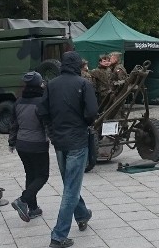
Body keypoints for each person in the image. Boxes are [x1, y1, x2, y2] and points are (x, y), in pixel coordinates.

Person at [38, 51, 98, 248]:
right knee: (71, 188)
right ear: (78, 65)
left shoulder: (51, 84)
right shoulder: (83, 84)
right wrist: (84, 122)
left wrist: (52, 129)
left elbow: (42, 111)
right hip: (77, 141)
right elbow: (91, 113)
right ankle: (58, 235)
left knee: (69, 183)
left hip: (59, 141)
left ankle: (82, 215)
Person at [9, 72, 50, 222]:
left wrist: (11, 142)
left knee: (30, 175)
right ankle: (23, 200)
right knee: (42, 175)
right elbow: (47, 124)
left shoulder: (19, 101)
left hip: (21, 144)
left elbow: (13, 124)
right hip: (37, 144)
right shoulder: (42, 102)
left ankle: (33, 209)